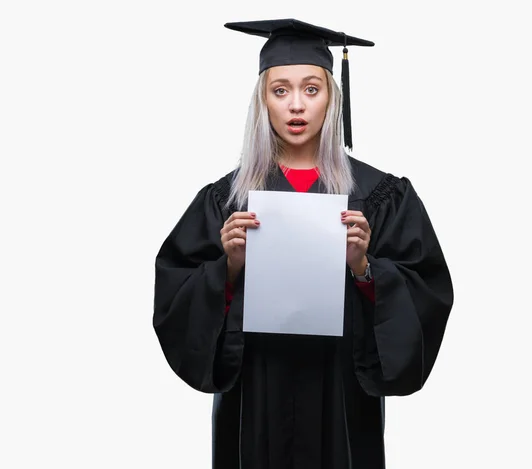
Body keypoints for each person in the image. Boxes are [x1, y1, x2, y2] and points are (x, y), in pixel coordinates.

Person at [153, 19, 453, 469]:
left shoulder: (381, 196)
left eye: (311, 89)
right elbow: (174, 299)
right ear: (262, 101)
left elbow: (427, 293)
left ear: (333, 98)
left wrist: (365, 268)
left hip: (342, 402)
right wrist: (228, 268)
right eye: (280, 91)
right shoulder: (225, 200)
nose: (296, 105)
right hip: (254, 401)